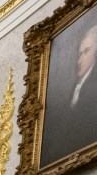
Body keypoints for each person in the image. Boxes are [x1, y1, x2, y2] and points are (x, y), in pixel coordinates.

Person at [41, 22, 97, 167]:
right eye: (80, 53)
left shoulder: (92, 87)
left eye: (86, 52)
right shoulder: (75, 86)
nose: (79, 60)